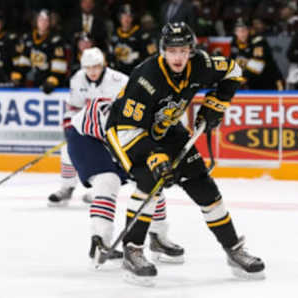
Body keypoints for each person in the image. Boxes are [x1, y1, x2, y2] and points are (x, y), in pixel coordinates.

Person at [105, 22, 265, 285]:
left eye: (183, 50)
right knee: (150, 181)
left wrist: (216, 103)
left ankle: (233, 249)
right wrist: (155, 157)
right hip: (126, 133)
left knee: (204, 186)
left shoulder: (201, 65)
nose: (178, 56)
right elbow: (128, 129)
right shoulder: (146, 78)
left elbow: (234, 71)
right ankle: (132, 250)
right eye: (172, 50)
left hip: (167, 129)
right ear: (162, 51)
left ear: (191, 50)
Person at [64, 48, 185, 264]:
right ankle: (100, 240)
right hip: (87, 136)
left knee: (152, 179)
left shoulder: (157, 103)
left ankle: (158, 236)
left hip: (117, 135)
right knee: (108, 181)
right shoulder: (129, 110)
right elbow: (122, 139)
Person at [47, 47, 126, 206]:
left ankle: (100, 190)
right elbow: (73, 108)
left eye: (96, 67)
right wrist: (70, 129)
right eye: (88, 68)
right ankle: (67, 188)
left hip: (113, 130)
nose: (92, 71)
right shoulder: (78, 79)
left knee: (107, 158)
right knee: (67, 151)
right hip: (88, 128)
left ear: (103, 65)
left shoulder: (120, 81)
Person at [19, 9, 68, 93]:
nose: (43, 23)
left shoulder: (56, 40)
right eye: (41, 20)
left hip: (48, 80)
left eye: (46, 20)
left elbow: (59, 63)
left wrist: (53, 80)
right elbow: (24, 60)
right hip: (31, 80)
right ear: (36, 21)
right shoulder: (27, 37)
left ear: (49, 22)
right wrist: (19, 75)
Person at [230, 18, 284, 90]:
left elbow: (258, 67)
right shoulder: (234, 43)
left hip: (269, 81)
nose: (242, 34)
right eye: (238, 31)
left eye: (244, 30)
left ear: (249, 30)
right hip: (252, 84)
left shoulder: (258, 42)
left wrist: (241, 79)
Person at [108, 4, 157, 75]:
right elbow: (110, 55)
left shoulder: (142, 34)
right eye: (124, 16)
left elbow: (152, 54)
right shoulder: (115, 34)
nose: (126, 19)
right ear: (119, 18)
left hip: (136, 73)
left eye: (129, 16)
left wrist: (138, 56)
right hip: (118, 73)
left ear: (133, 18)